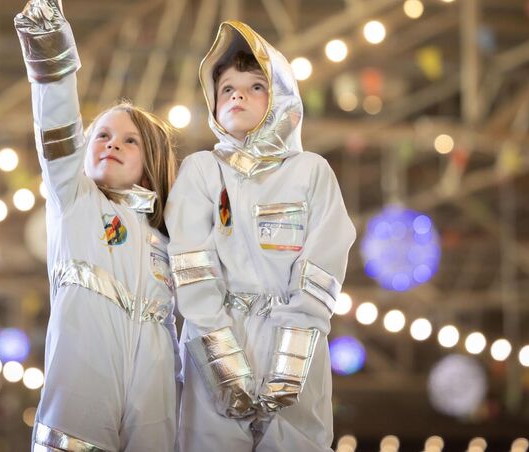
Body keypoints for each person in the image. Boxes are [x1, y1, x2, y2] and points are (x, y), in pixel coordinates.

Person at [165, 21, 356, 451]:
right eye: (226, 87)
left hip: (296, 345)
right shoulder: (200, 170)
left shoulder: (311, 171)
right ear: (212, 103)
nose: (237, 95)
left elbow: (323, 265)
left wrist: (291, 362)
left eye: (255, 86)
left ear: (281, 97)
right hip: (214, 339)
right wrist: (223, 363)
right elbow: (190, 268)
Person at [14, 1, 179, 450]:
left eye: (129, 140)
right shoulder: (75, 201)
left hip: (158, 399)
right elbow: (58, 127)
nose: (111, 144)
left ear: (151, 166)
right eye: (101, 135)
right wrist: (49, 47)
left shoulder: (172, 238)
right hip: (82, 396)